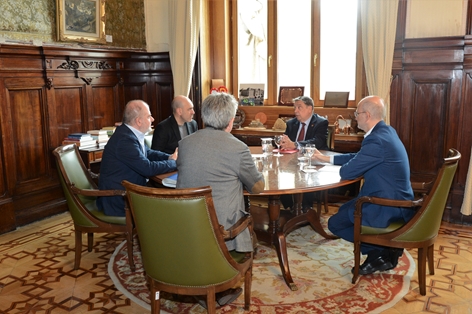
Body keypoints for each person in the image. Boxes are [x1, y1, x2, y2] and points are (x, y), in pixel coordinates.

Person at [176, 92, 264, 307]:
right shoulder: (237, 148)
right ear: (231, 120)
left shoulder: (185, 143)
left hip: (184, 225)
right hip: (221, 231)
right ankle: (218, 285)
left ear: (205, 117)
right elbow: (258, 188)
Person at [312, 95, 415, 275]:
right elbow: (358, 158)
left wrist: (339, 164)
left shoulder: (377, 140)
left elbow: (348, 172)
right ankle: (384, 252)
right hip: (392, 198)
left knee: (336, 224)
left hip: (386, 205)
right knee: (344, 214)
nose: (354, 116)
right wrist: (326, 158)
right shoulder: (386, 132)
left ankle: (381, 250)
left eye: (356, 113)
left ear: (366, 115)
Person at [97, 100, 177, 217]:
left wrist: (169, 157)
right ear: (139, 121)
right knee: (171, 206)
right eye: (149, 116)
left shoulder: (130, 134)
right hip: (120, 199)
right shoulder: (125, 140)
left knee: (169, 201)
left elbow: (148, 153)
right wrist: (174, 163)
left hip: (132, 191)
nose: (153, 119)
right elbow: (147, 169)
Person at [279, 95, 329, 209]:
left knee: (306, 176)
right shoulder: (292, 123)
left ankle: (306, 209)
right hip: (292, 161)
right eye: (294, 107)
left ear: (309, 109)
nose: (295, 111)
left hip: (313, 161)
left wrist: (296, 144)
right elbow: (287, 142)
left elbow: (318, 142)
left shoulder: (321, 122)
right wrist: (283, 142)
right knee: (280, 175)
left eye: (299, 107)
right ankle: (290, 208)